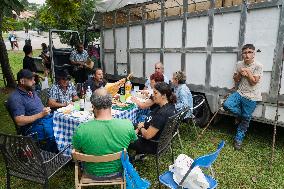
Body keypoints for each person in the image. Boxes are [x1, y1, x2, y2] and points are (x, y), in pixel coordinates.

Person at [72, 88, 137, 177]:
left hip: (91, 173)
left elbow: (76, 154)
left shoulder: (81, 129)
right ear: (111, 104)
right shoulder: (127, 125)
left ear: (93, 106)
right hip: (118, 171)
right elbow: (132, 142)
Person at [6, 69, 57, 152]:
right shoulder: (15, 98)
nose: (34, 82)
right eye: (31, 79)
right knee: (56, 131)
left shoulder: (30, 91)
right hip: (32, 128)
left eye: (33, 79)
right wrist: (41, 114)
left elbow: (36, 107)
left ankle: (62, 150)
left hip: (45, 119)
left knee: (63, 121)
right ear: (22, 81)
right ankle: (49, 154)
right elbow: (19, 120)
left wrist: (43, 109)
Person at [223, 44, 263, 150]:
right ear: (242, 54)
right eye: (245, 52)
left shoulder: (258, 66)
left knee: (245, 120)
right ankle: (243, 116)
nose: (247, 55)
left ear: (254, 54)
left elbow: (254, 82)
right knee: (226, 104)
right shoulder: (239, 64)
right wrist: (240, 74)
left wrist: (249, 73)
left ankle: (238, 139)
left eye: (250, 52)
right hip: (239, 92)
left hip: (252, 96)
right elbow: (236, 80)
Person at [129, 82, 176, 155]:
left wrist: (140, 128)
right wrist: (140, 127)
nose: (153, 95)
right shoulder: (170, 106)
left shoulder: (162, 114)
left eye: (155, 93)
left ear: (164, 95)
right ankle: (139, 155)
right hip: (162, 141)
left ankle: (119, 159)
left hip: (152, 145)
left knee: (122, 136)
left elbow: (147, 136)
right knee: (129, 124)